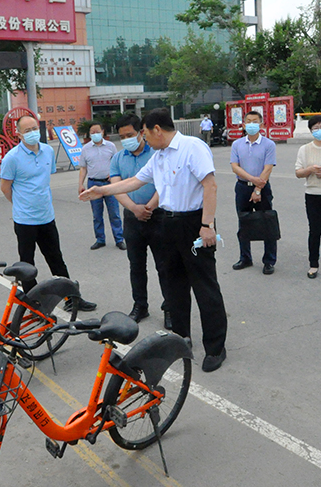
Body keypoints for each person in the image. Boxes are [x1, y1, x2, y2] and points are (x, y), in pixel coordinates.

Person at [81, 108, 228, 372]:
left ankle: (215, 348)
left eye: (145, 134)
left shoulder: (192, 147)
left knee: (204, 286)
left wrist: (207, 225)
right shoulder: (158, 156)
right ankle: (181, 340)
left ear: (157, 129)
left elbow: (210, 186)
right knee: (174, 286)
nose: (144, 139)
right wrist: (102, 190)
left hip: (194, 223)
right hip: (167, 224)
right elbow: (135, 182)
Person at [0, 114, 97, 312]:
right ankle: (35, 304)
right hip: (24, 220)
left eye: (34, 128)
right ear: (19, 134)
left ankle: (72, 298)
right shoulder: (11, 158)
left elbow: (45, 179)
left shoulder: (47, 151)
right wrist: (20, 204)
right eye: (27, 130)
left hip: (46, 216)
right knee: (27, 265)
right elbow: (5, 188)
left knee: (56, 259)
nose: (32, 133)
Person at [109, 114, 169, 327]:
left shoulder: (156, 153)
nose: (126, 139)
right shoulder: (118, 158)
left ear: (141, 133)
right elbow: (117, 187)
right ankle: (140, 305)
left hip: (158, 216)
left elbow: (165, 184)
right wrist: (134, 208)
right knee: (136, 266)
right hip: (132, 217)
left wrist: (149, 207)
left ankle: (169, 307)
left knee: (164, 265)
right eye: (122, 136)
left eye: (130, 134)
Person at [230, 111, 278, 275]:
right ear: (243, 125)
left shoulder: (269, 145)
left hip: (263, 188)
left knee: (267, 222)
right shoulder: (237, 144)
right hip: (242, 187)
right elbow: (235, 166)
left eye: (255, 121)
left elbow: (268, 168)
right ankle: (245, 257)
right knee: (243, 222)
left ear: (261, 124)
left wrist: (258, 189)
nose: (251, 124)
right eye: (248, 121)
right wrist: (252, 179)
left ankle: (269, 260)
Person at [295, 117, 321, 279]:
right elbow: (298, 172)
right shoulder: (304, 149)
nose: (319, 130)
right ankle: (313, 265)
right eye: (315, 128)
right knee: (315, 231)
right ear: (311, 130)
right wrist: (310, 169)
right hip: (313, 195)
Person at [79, 123, 125, 250]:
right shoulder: (86, 149)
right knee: (97, 214)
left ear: (103, 132)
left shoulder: (111, 146)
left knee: (114, 213)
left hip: (109, 184)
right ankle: (100, 239)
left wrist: (114, 174)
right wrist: (80, 184)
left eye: (97, 131)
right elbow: (83, 168)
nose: (95, 134)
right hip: (93, 183)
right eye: (92, 132)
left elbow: (116, 162)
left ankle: (119, 239)